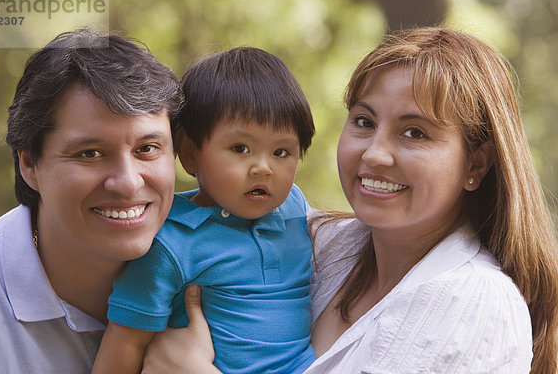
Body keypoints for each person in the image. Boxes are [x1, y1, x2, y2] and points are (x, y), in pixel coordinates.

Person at [141, 27, 558, 374]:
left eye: (415, 132)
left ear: (477, 165)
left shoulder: (475, 303)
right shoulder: (317, 241)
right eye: (364, 121)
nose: (375, 153)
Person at [0, 29, 183, 373]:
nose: (127, 182)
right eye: (90, 153)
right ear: (29, 164)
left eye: (147, 149)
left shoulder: (232, 264)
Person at [92, 47, 317, 374]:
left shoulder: (295, 207)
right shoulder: (170, 245)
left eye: (282, 152)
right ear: (189, 152)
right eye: (240, 148)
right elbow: (126, 343)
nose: (263, 168)